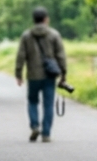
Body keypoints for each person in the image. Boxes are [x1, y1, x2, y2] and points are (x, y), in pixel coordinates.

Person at [15, 7, 67, 142]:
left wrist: (18, 73)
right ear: (46, 19)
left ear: (34, 19)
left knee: (32, 101)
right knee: (48, 105)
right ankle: (46, 134)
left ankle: (34, 126)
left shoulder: (26, 35)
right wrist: (64, 73)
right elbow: (60, 55)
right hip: (49, 75)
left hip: (33, 76)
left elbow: (21, 56)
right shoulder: (54, 35)